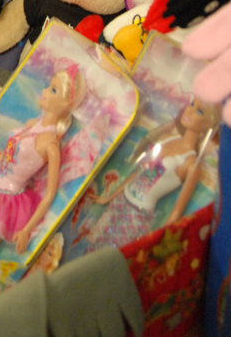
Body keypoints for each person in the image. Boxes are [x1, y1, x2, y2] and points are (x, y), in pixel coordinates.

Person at [0, 65, 88, 261]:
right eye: (49, 86)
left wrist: (26, 230)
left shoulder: (51, 146)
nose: (44, 91)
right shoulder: (31, 125)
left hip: (9, 203)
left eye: (53, 90)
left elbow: (49, 195)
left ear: (67, 103)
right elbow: (4, 157)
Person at [83, 95, 219, 250]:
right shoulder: (167, 138)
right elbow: (138, 173)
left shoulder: (191, 164)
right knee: (93, 246)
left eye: (199, 111)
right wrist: (109, 197)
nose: (189, 111)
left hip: (139, 214)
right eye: (192, 104)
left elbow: (176, 212)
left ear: (209, 125)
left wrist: (159, 239)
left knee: (113, 254)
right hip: (120, 201)